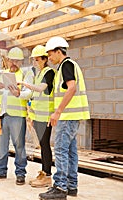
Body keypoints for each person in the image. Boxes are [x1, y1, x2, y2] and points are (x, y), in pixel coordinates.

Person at [39, 37, 90, 200]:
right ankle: (71, 186)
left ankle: (60, 187)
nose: (49, 57)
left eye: (50, 54)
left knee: (61, 150)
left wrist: (58, 112)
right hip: (72, 116)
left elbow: (72, 88)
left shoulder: (66, 65)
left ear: (58, 51)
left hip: (67, 116)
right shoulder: (68, 66)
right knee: (70, 151)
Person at [0, 47, 33, 185]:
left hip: (17, 115)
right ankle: (0, 171)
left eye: (17, 61)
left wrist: (20, 93)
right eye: (12, 60)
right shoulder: (1, 74)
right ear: (8, 60)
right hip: (1, 115)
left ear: (21, 62)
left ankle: (20, 173)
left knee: (19, 145)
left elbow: (29, 92)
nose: (14, 63)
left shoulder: (26, 75)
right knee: (1, 145)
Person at [20, 45, 55, 188]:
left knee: (45, 145)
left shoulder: (49, 72)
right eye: (34, 60)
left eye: (37, 59)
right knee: (42, 145)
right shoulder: (39, 74)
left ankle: (47, 175)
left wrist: (24, 84)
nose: (35, 62)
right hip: (39, 116)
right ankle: (44, 172)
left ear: (45, 59)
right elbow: (35, 96)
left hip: (46, 116)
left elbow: (40, 89)